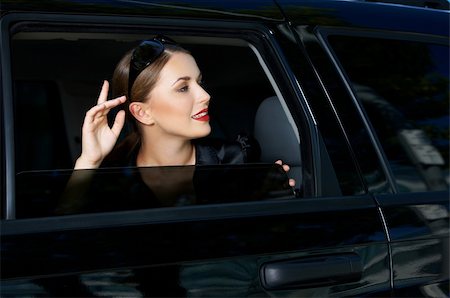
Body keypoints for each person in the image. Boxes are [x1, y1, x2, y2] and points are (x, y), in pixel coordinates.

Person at [60, 35, 294, 212]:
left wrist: (270, 203)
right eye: (183, 88)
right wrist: (88, 161)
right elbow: (61, 243)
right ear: (142, 112)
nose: (205, 96)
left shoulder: (234, 160)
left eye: (200, 83)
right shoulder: (112, 179)